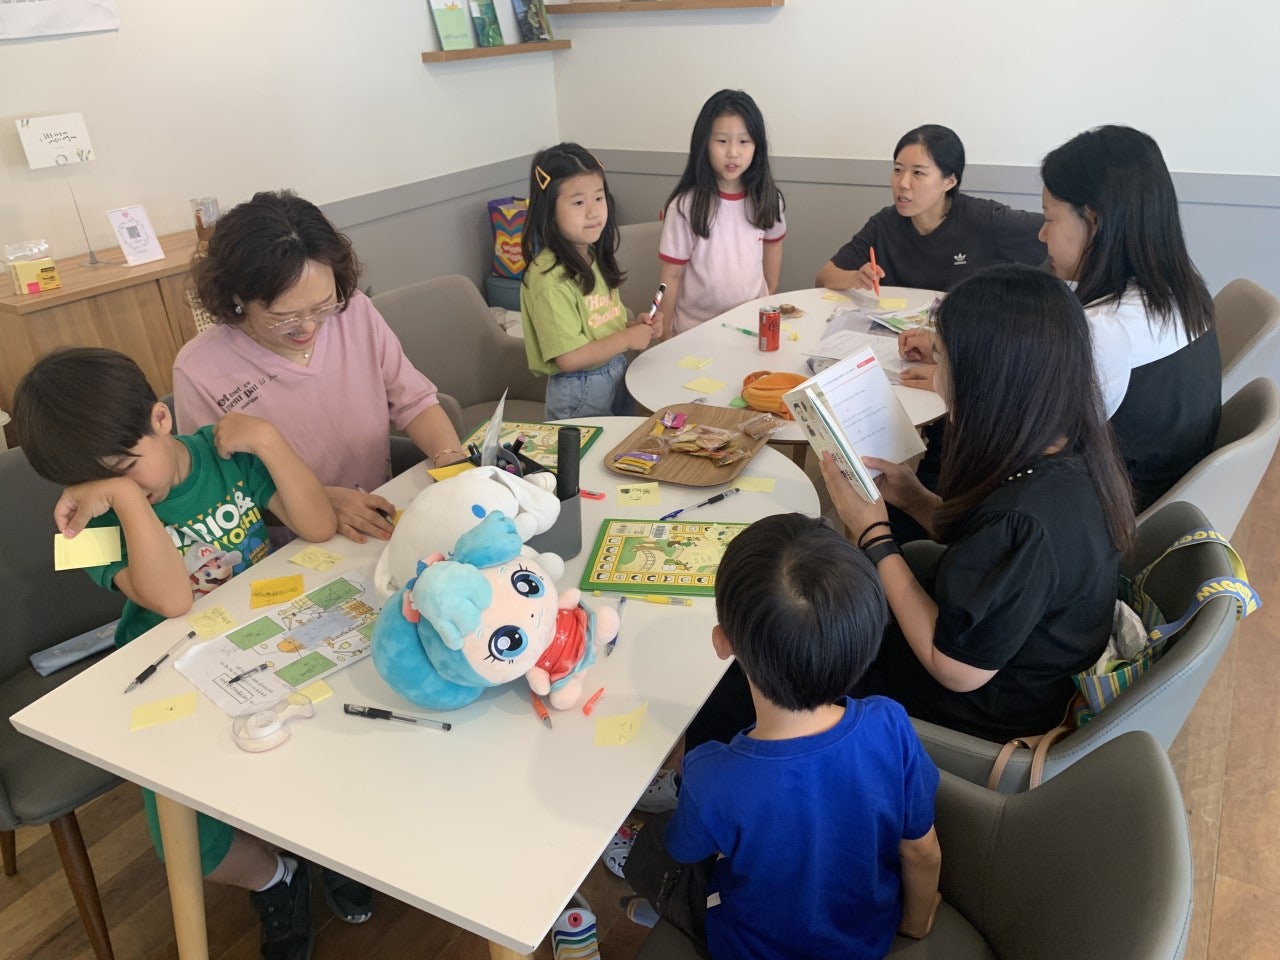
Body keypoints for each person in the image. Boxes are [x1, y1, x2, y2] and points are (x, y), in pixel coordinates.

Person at [13, 348, 360, 960]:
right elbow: (173, 600)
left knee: (327, 757)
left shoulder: (222, 456)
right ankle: (277, 878)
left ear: (161, 418)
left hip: (269, 644)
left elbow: (316, 527)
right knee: (191, 846)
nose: (125, 487)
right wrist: (123, 496)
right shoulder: (87, 524)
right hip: (172, 671)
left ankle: (327, 849)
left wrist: (269, 440)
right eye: (100, 481)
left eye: (127, 467)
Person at [819, 265, 1137, 743]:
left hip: (982, 709)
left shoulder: (1023, 520)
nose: (937, 374)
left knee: (793, 649)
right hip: (1021, 660)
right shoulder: (1072, 449)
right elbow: (987, 552)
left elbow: (955, 669)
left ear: (985, 381)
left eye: (942, 358)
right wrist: (916, 499)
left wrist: (875, 535)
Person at [609, 514, 942, 959]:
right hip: (868, 936)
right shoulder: (890, 723)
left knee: (655, 841)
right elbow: (922, 852)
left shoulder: (710, 773)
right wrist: (915, 925)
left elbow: (687, 850)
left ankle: (666, 911)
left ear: (722, 643)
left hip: (749, 946)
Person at [173, 190, 465, 545]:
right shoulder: (200, 369)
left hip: (379, 513)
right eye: (284, 317)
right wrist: (321, 501)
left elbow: (414, 400)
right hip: (288, 543)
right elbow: (219, 493)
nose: (308, 327)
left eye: (323, 306)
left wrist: (453, 463)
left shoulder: (354, 311)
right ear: (237, 298)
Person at [1040, 125, 1221, 510]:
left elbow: (1041, 444)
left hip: (1113, 517)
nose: (1042, 235)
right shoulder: (1184, 289)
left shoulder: (1106, 329)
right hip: (1168, 495)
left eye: (1049, 217)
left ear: (1093, 221)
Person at [816, 124, 1045, 297]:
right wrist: (856, 277)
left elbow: (1053, 235)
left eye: (918, 173)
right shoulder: (884, 223)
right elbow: (824, 277)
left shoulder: (985, 218)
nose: (903, 183)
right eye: (898, 170)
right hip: (898, 337)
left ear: (950, 181)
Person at [519, 142, 663, 419]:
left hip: (615, 374)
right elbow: (569, 358)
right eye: (578, 202)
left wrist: (635, 327)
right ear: (548, 210)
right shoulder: (547, 276)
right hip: (579, 390)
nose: (593, 212)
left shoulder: (591, 255)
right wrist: (627, 338)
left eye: (599, 198)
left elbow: (599, 328)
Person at [657, 89, 786, 336]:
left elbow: (773, 251)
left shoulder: (769, 199)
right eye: (722, 141)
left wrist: (767, 294)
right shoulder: (685, 206)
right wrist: (664, 333)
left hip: (750, 326)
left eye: (744, 141)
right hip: (695, 330)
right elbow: (670, 277)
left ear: (757, 146)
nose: (733, 152)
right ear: (703, 144)